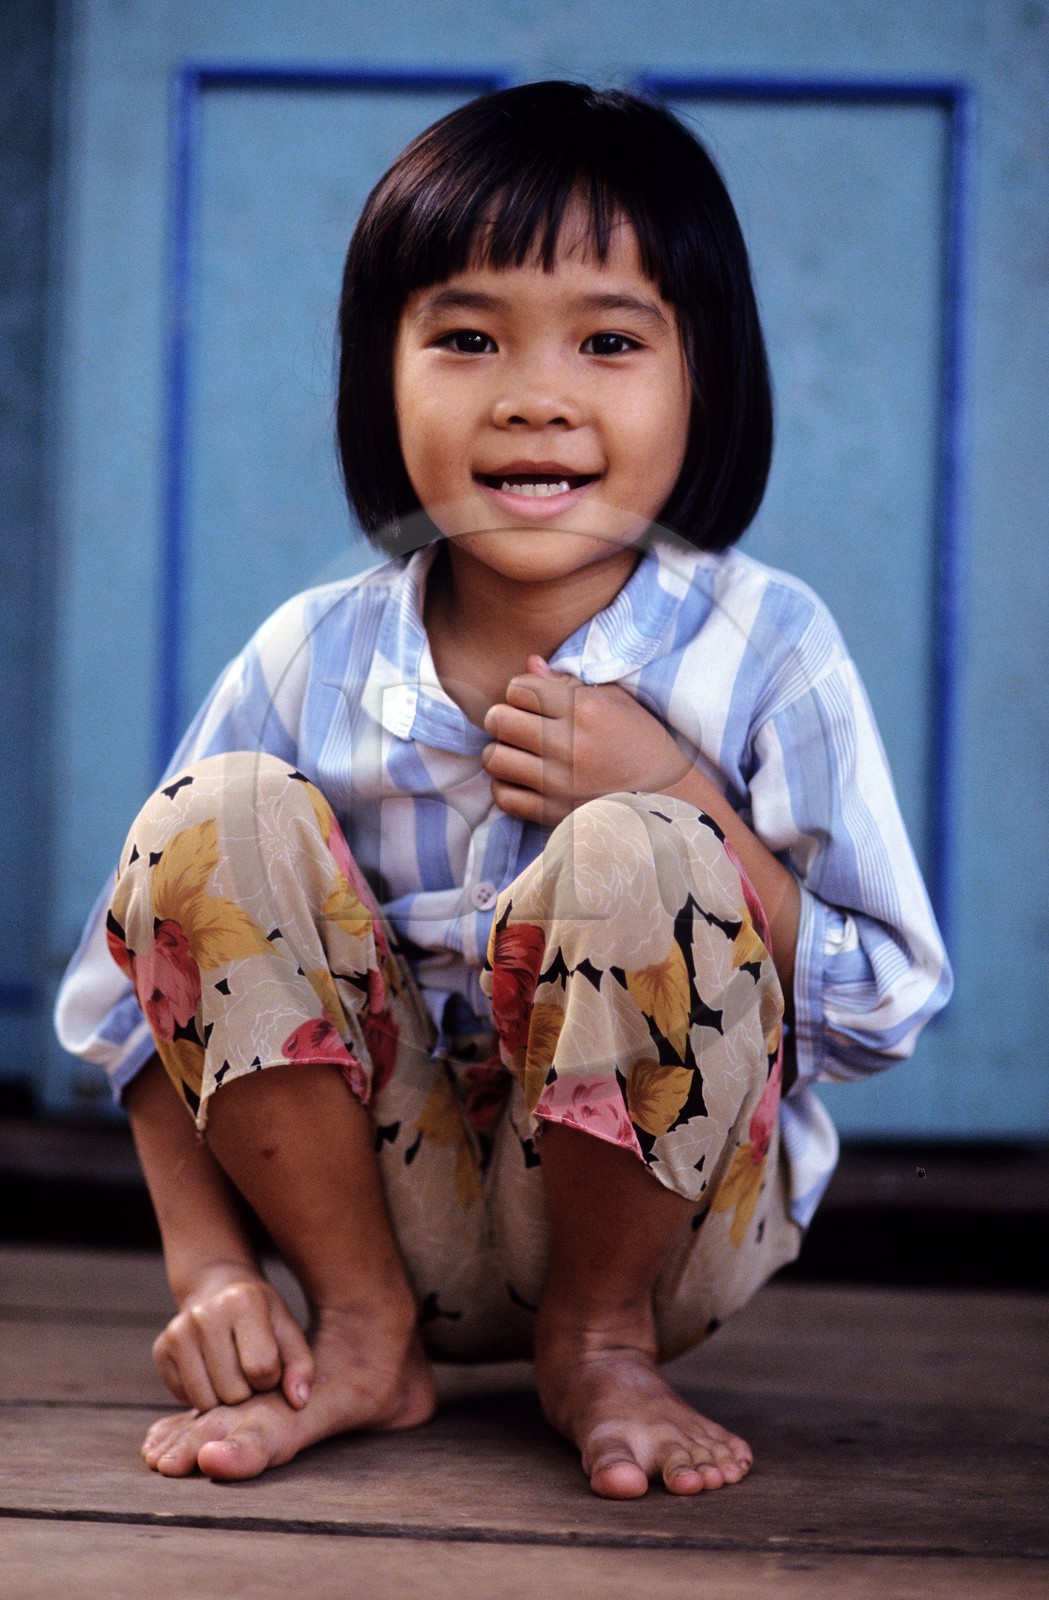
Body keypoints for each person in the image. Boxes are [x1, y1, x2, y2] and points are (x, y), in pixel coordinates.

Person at [55, 81, 952, 1500]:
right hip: (367, 1216)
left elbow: (885, 1000)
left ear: (701, 376)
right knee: (207, 815)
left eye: (609, 341)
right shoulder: (310, 655)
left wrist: (677, 791)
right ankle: (361, 1336)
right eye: (465, 339)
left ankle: (598, 1345)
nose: (535, 394)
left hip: (668, 1241)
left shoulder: (765, 650)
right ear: (379, 377)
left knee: (638, 847)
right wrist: (212, 1268)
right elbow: (130, 1007)